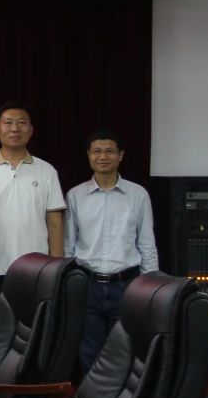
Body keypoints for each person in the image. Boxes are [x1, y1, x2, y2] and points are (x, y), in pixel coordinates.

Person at [65, 129, 159, 370]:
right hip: (87, 284)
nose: (103, 156)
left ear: (121, 156)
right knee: (89, 349)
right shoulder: (75, 195)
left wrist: (149, 287)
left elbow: (147, 243)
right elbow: (68, 245)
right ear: (88, 155)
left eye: (109, 151)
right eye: (97, 151)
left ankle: (122, 395)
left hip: (127, 285)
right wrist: (67, 283)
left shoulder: (138, 195)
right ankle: (90, 394)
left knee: (126, 348)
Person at [0, 101, 65, 321]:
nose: (15, 128)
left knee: (35, 330)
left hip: (38, 270)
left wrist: (56, 269)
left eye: (21, 123)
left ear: (31, 130)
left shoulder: (46, 171)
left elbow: (55, 222)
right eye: (8, 123)